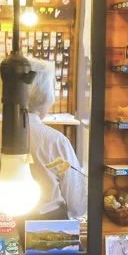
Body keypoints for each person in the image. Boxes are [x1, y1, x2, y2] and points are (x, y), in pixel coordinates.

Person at [24, 57, 87, 220]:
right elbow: (77, 204)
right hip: (49, 224)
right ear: (45, 96)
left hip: (6, 223)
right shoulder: (55, 140)